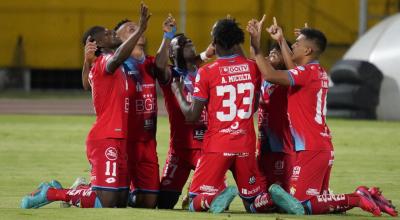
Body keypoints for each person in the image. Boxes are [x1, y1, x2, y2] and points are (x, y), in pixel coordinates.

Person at [247, 16, 397, 217]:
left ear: (308, 50)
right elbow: (294, 68)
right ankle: (359, 197)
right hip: (320, 145)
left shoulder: (307, 73)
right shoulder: (315, 71)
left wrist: (256, 46)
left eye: (298, 44)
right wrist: (282, 40)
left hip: (311, 148)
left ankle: (358, 197)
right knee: (319, 202)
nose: (294, 47)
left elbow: (271, 75)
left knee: (302, 205)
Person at [20, 3, 151, 209]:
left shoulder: (103, 65)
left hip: (120, 137)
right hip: (106, 137)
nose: (112, 33)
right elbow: (117, 57)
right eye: (107, 34)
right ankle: (52, 192)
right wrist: (141, 28)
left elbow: (85, 84)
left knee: (120, 200)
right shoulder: (106, 61)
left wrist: (85, 61)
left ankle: (82, 188)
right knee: (106, 201)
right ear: (97, 43)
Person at [171, 18, 304, 215]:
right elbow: (254, 105)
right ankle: (268, 196)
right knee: (252, 202)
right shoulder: (253, 68)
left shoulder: (207, 72)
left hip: (217, 145)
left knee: (194, 199)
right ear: (237, 42)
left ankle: (211, 198)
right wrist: (254, 41)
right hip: (245, 144)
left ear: (215, 44)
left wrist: (177, 92)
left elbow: (192, 115)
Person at [153, 14, 221, 209]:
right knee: (164, 203)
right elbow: (159, 65)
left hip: (206, 148)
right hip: (179, 149)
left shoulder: (207, 73)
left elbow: (208, 53)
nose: (187, 43)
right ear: (173, 54)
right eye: (181, 43)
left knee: (212, 202)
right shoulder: (171, 76)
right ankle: (193, 193)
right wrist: (167, 36)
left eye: (189, 41)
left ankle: (195, 193)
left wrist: (210, 49)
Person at [257, 41, 295, 193]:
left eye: (278, 51)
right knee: (262, 191)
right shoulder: (263, 78)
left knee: (280, 192)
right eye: (272, 50)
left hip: (281, 146)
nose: (273, 51)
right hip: (262, 143)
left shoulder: (289, 80)